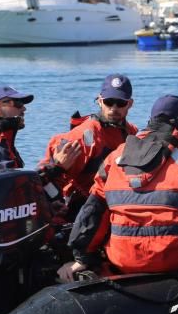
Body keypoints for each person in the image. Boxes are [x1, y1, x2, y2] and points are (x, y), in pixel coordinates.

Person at [57, 95, 178, 280]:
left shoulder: (115, 156)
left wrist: (83, 257)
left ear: (151, 120)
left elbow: (92, 211)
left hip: (124, 260)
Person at [38, 74, 139, 219]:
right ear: (99, 101)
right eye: (109, 102)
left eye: (120, 103)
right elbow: (45, 178)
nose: (114, 108)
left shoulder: (132, 132)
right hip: (81, 207)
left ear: (130, 104)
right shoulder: (80, 136)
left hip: (115, 203)